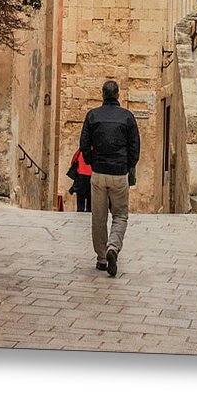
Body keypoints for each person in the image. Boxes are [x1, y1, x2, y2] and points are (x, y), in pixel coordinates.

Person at [79, 79, 140, 277]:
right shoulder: (128, 117)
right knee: (120, 215)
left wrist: (92, 162)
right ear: (118, 94)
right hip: (119, 172)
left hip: (99, 173)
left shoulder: (93, 116)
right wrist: (127, 165)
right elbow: (134, 148)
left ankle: (102, 258)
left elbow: (84, 145)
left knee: (98, 217)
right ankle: (113, 247)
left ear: (102, 94)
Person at [68, 148, 92, 212]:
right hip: (92, 177)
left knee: (80, 198)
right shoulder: (96, 151)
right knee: (90, 198)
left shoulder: (80, 151)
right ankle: (89, 211)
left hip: (81, 177)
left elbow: (73, 161)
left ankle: (80, 211)